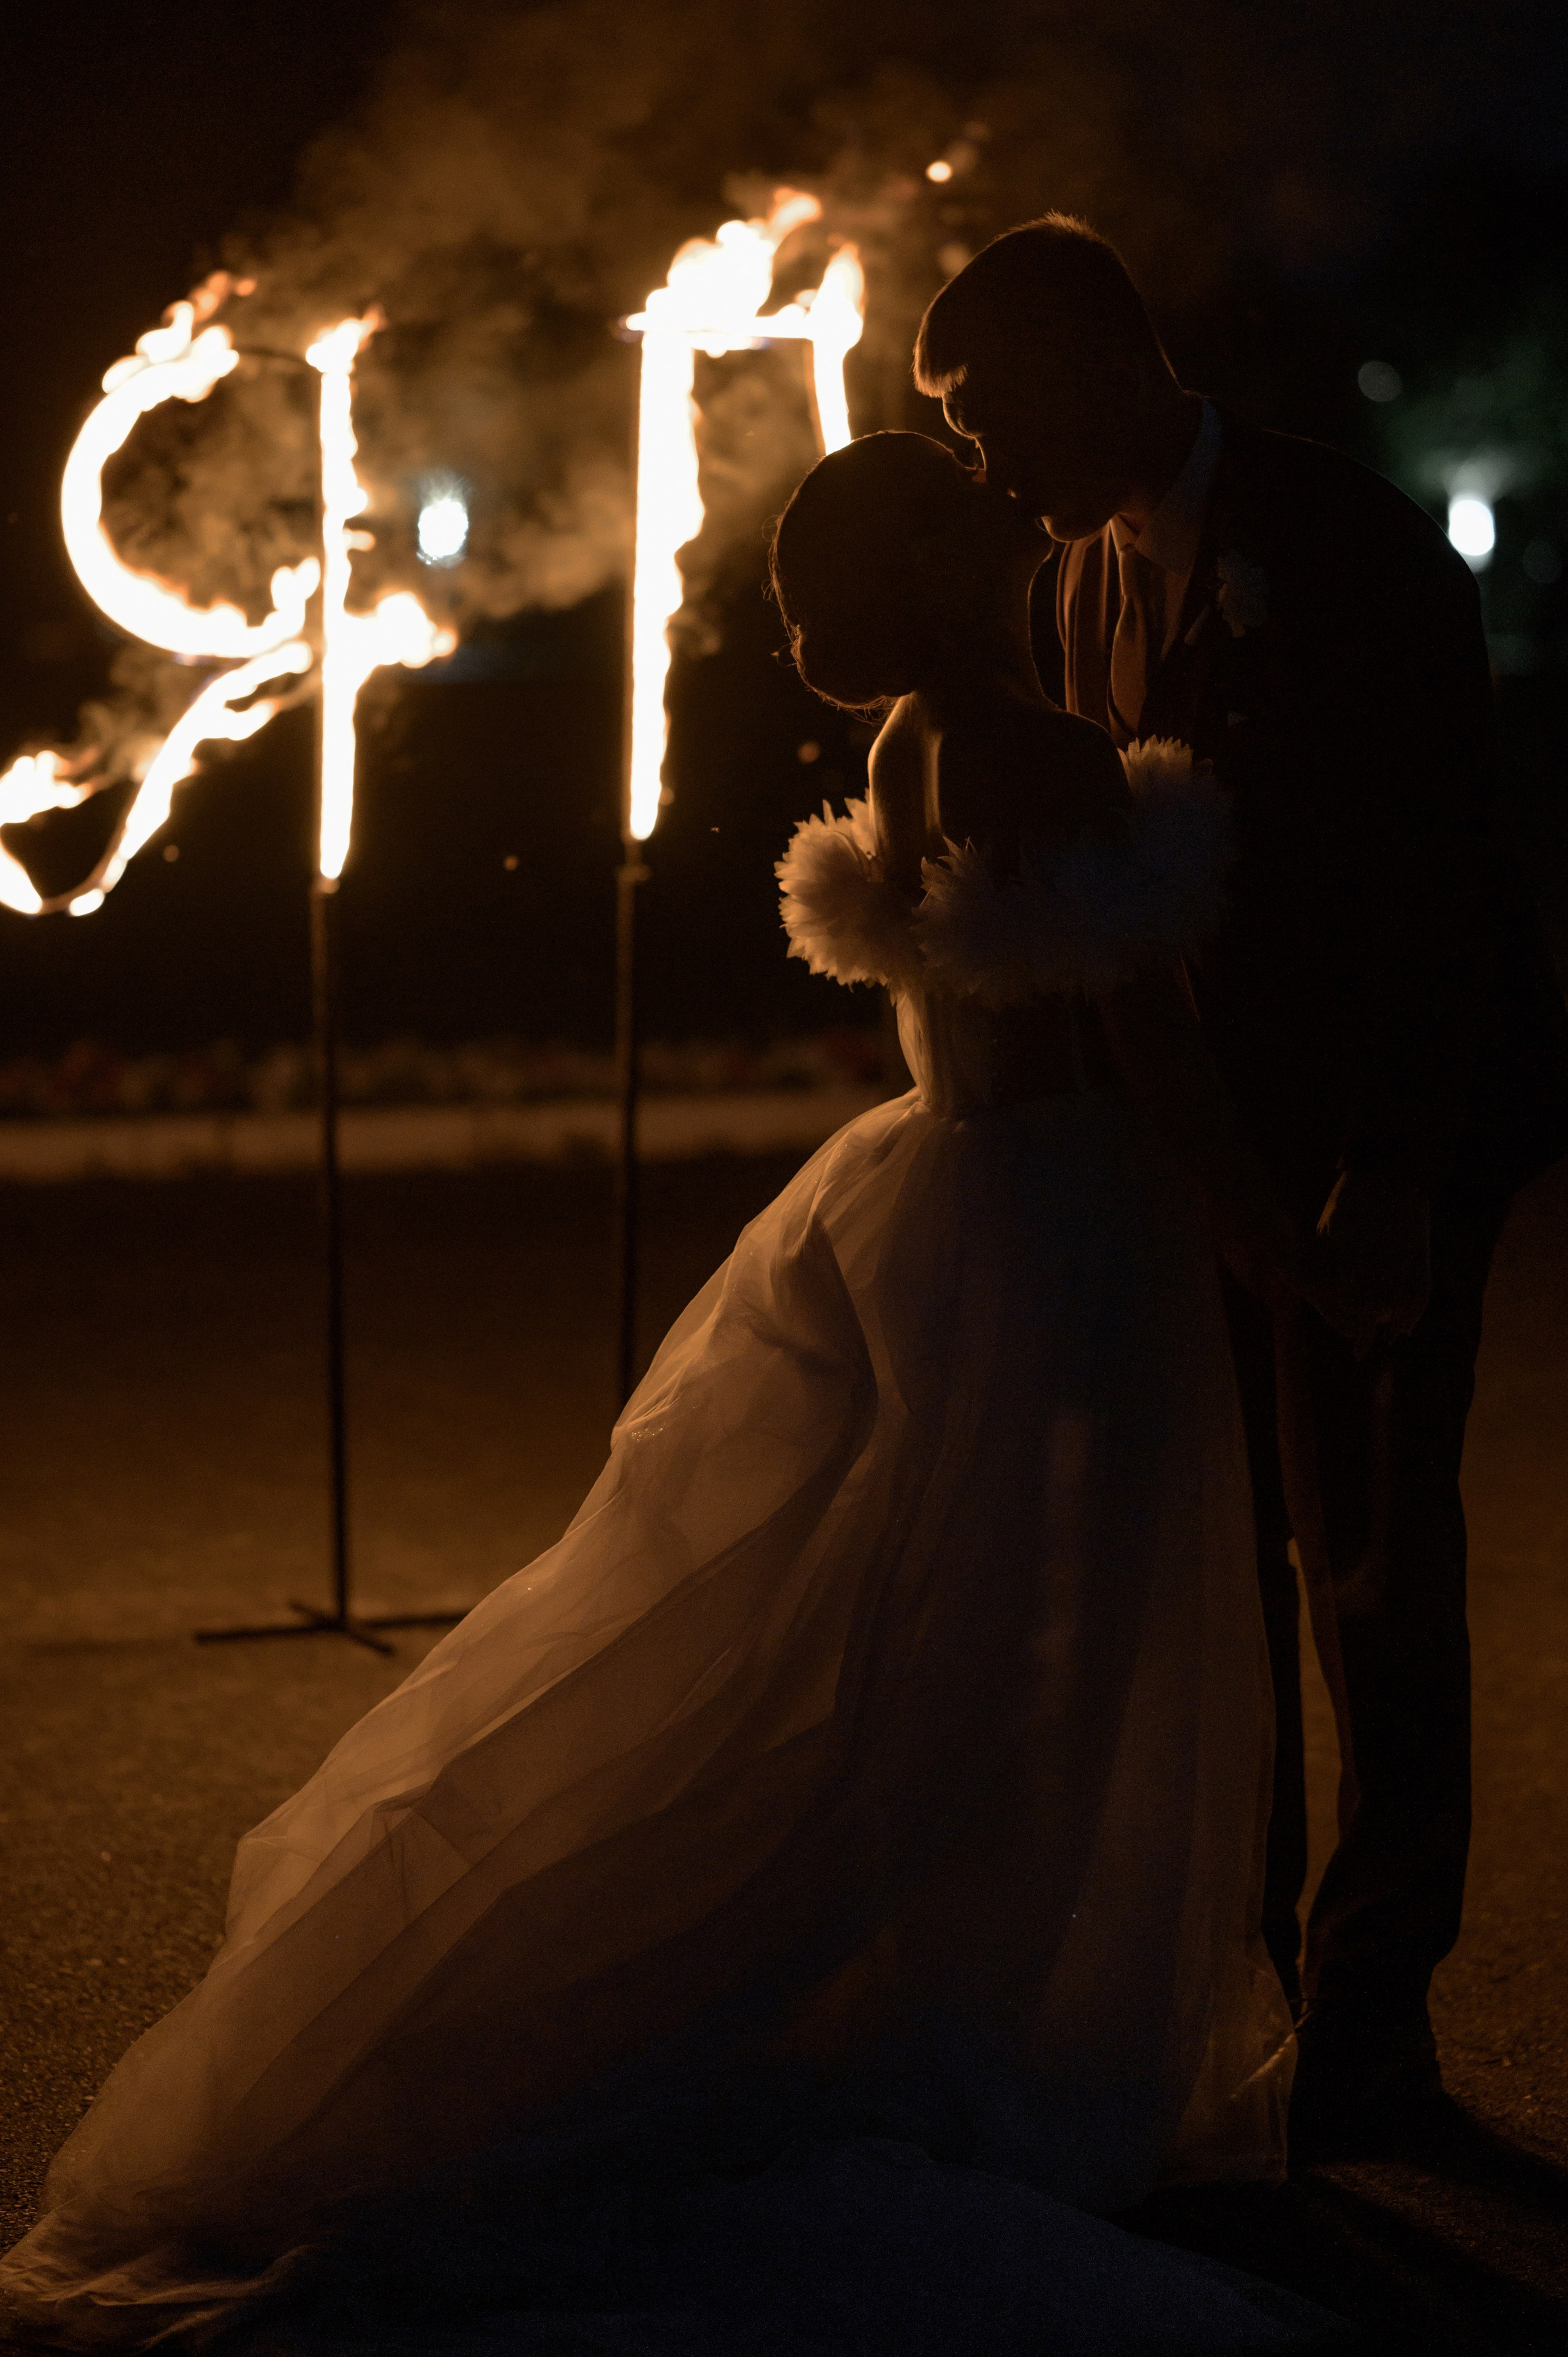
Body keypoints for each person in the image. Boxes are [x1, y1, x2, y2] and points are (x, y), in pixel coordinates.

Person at [0, 434, 1344, 2357]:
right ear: (954, 566)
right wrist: (1274, 1241)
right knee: (1050, 1637)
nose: (1011, 508)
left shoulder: (910, 746)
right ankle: (1013, 2031)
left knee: (906, 1628)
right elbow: (1138, 1036)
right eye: (974, 505)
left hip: (936, 1190)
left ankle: (947, 2001)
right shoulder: (1034, 752)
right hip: (1058, 1224)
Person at [913, 213, 1568, 2144]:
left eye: (986, 412)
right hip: (1198, 1161)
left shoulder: (1353, 545)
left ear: (1102, 358)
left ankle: (1378, 2025)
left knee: (1373, 1571)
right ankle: (1264, 1986)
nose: (978, 462)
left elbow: (1452, 879)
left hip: (1395, 1139)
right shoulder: (1064, 594)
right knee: (1228, 1575)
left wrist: (1391, 1174)